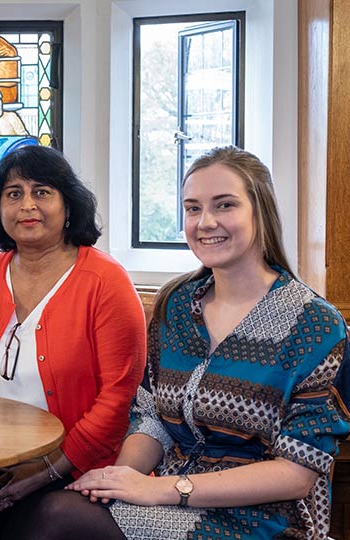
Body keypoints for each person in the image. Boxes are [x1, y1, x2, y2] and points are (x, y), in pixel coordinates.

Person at [27, 146, 350, 540]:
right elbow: (152, 415)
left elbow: (296, 472)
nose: (205, 222)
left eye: (225, 205)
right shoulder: (177, 305)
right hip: (168, 500)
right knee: (55, 508)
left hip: (266, 519)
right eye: (193, 208)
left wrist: (160, 489)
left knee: (57, 517)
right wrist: (122, 478)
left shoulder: (314, 324)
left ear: (260, 210)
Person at [0, 144, 147, 540]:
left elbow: (117, 400)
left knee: (30, 527)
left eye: (42, 192)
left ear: (68, 205)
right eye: (13, 193)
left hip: (76, 467)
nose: (27, 205)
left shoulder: (107, 282)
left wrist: (44, 470)